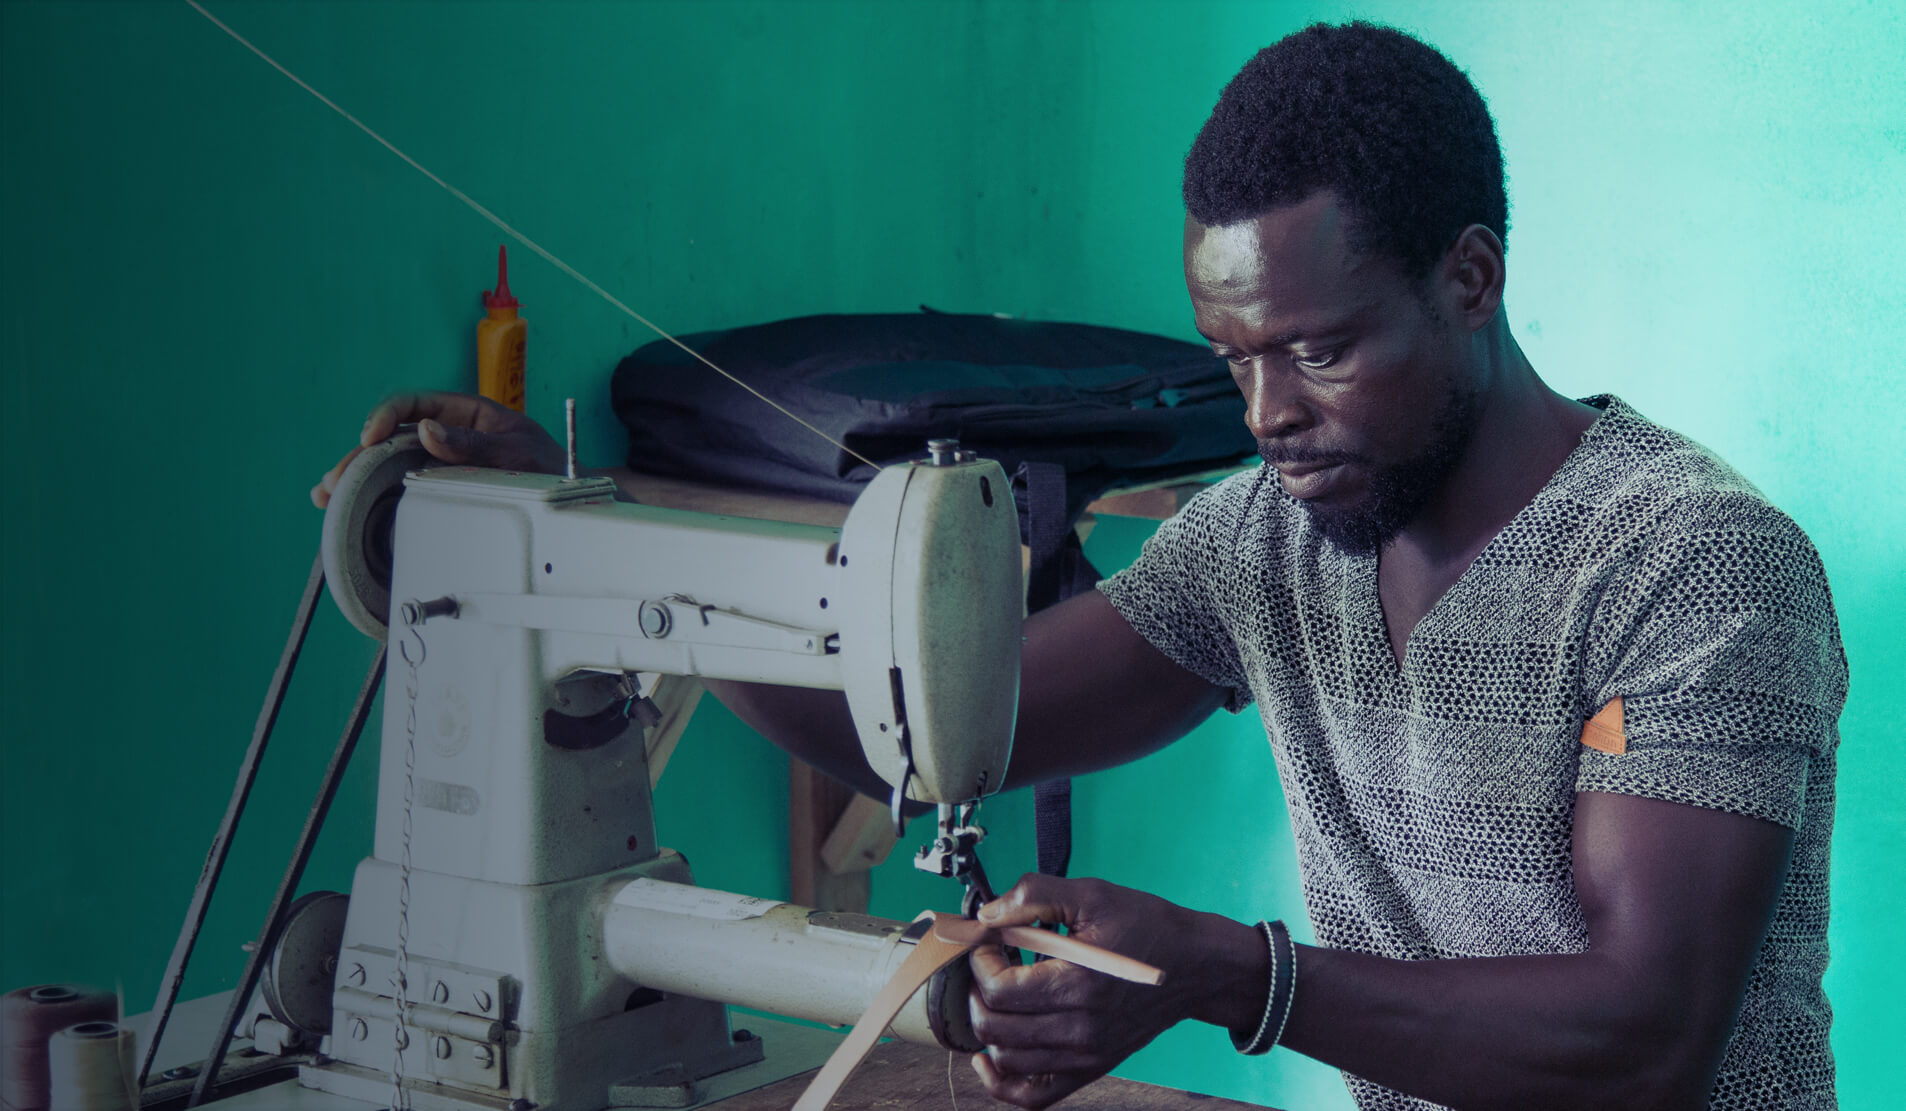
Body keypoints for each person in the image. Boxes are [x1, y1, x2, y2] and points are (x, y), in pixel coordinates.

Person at [314, 22, 1842, 1111]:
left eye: (1318, 350)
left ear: (1470, 277)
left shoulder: (1692, 563)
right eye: (1233, 358)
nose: (1267, 415)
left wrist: (1232, 975)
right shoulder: (1266, 536)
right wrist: (586, 551)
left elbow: (1643, 1041)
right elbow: (932, 731)